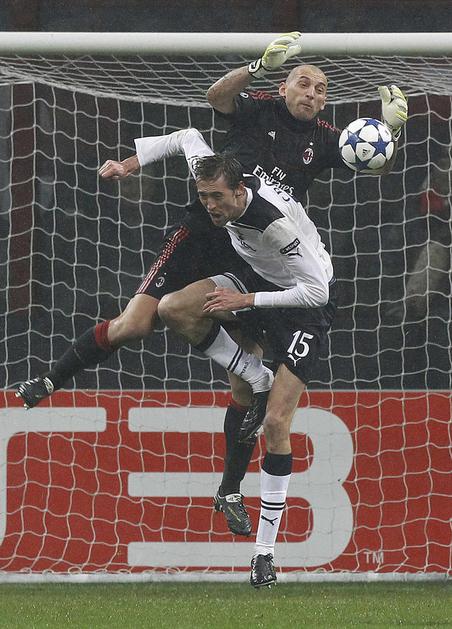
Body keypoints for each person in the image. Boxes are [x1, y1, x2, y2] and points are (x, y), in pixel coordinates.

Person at [15, 32, 408, 540]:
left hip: (255, 249)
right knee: (136, 323)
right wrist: (256, 66)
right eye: (303, 82)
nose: (312, 93)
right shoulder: (257, 107)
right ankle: (50, 380)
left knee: (244, 386)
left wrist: (389, 129)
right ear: (284, 86)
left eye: (321, 88)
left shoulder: (326, 138)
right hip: (206, 230)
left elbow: (369, 154)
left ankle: (229, 489)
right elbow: (211, 104)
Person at [156, 151, 337, 587]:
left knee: (275, 422)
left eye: (216, 197)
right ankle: (255, 376)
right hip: (258, 278)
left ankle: (264, 554)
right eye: (203, 196)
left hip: (301, 306)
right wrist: (131, 163)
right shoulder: (222, 187)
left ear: (240, 192)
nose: (209, 205)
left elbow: (317, 291)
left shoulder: (273, 224)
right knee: (172, 308)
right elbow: (187, 138)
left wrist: (246, 301)